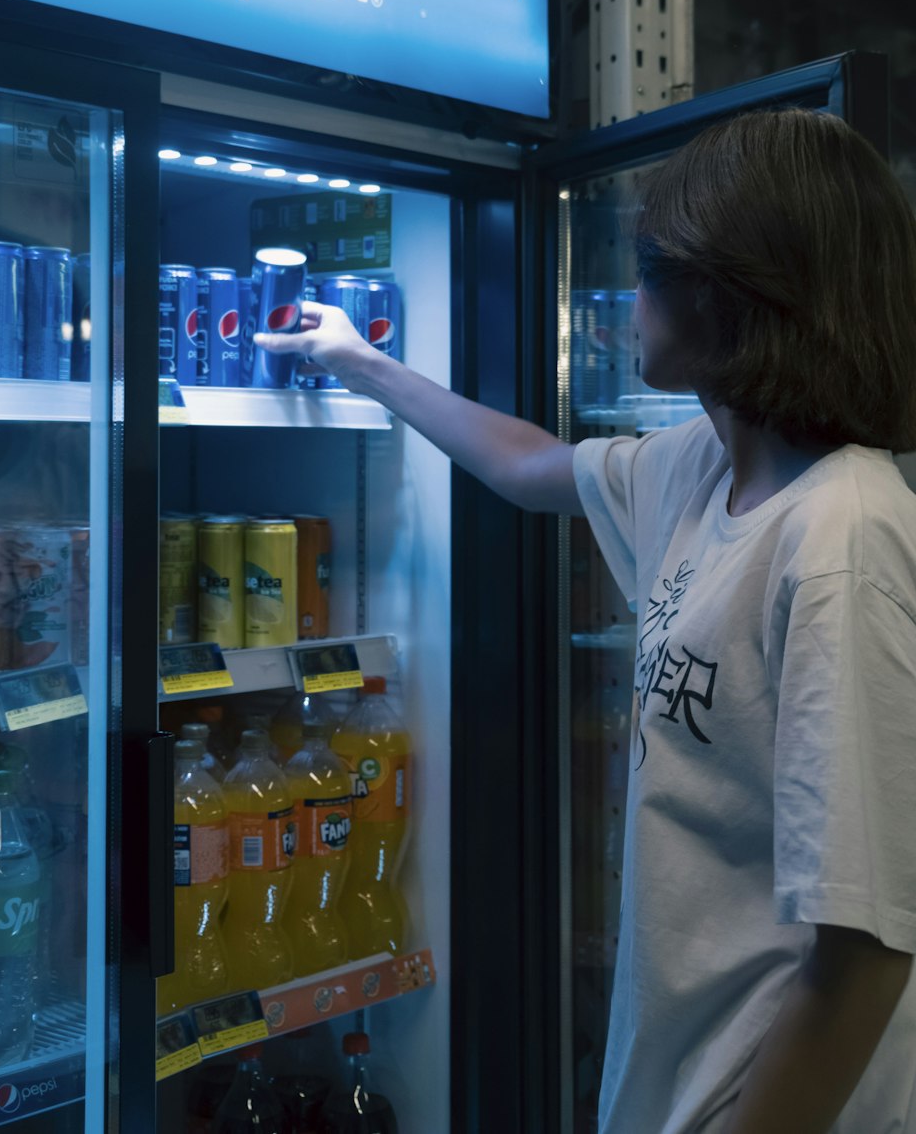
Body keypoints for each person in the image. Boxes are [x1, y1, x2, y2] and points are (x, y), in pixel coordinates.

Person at [256, 107, 916, 1134]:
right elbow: (527, 464)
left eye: (649, 268)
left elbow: (866, 950)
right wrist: (363, 365)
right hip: (674, 1079)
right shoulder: (703, 467)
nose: (630, 295)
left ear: (724, 292)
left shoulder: (842, 537)